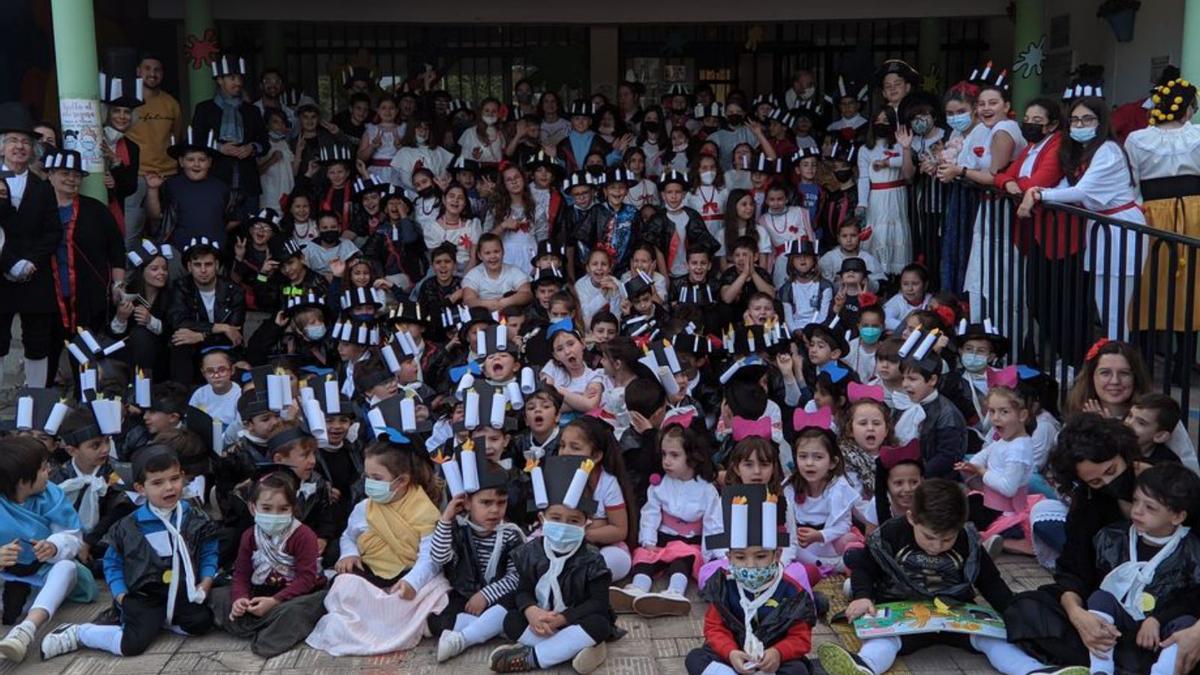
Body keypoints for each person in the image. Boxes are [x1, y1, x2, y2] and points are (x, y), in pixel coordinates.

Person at [818, 478, 1085, 675]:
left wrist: (1011, 611)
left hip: (957, 614)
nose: (937, 546)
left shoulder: (968, 541)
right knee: (883, 640)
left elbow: (989, 581)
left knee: (993, 639)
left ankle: (1035, 671)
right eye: (930, 537)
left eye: (947, 539)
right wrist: (864, 596)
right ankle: (864, 667)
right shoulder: (890, 534)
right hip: (902, 612)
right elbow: (866, 566)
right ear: (912, 519)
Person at [41, 446, 219, 660]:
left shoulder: (195, 518)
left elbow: (209, 551)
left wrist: (206, 580)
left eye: (174, 479)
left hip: (182, 590)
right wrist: (121, 595)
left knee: (201, 623)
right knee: (131, 645)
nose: (169, 488)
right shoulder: (127, 527)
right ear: (140, 488)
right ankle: (79, 633)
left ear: (183, 477)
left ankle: (161, 620)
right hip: (145, 594)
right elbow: (112, 563)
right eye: (157, 483)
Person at [304, 433, 444, 656]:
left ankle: (404, 621)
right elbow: (348, 536)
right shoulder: (364, 507)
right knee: (343, 586)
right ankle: (375, 625)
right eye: (367, 476)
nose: (369, 483)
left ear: (402, 481)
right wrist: (348, 554)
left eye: (377, 478)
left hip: (407, 575)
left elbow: (431, 557)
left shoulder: (426, 512)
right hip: (371, 573)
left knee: (437, 592)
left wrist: (411, 582)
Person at [1018, 96, 1142, 341]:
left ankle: (1121, 366)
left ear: (1101, 121)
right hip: (1101, 227)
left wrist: (1038, 193)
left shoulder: (1107, 150)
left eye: (1087, 119)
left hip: (1119, 230)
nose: (1080, 125)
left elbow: (1082, 192)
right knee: (1105, 306)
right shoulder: (1088, 151)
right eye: (1075, 120)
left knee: (1115, 309)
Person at [487, 455, 616, 674]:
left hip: (576, 620)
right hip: (542, 619)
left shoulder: (592, 559)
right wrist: (531, 611)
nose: (563, 526)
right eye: (555, 518)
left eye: (573, 521)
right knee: (511, 619)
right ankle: (572, 649)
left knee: (599, 624)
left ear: (586, 523)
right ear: (542, 518)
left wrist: (564, 619)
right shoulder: (530, 552)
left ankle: (535, 657)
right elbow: (523, 590)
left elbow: (598, 602)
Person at [686, 484, 815, 675]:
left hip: (772, 662)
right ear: (729, 558)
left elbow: (800, 638)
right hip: (734, 657)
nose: (751, 565)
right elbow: (714, 628)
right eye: (740, 557)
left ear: (777, 555)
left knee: (798, 669)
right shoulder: (724, 586)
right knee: (696, 658)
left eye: (761, 556)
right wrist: (730, 653)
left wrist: (778, 653)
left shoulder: (792, 591)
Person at [1084, 463, 1200, 674]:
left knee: (1187, 622)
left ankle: (1163, 671)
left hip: (1163, 629)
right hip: (1120, 625)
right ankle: (1101, 668)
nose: (1137, 510)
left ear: (1177, 517)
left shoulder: (1191, 548)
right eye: (1136, 501)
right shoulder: (1113, 537)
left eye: (1150, 507)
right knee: (1100, 598)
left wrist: (1157, 619)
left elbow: (1193, 597)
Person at [207, 470, 328, 657]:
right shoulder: (249, 535)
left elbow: (306, 579)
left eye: (283, 509)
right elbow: (242, 573)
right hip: (261, 591)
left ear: (293, 509)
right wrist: (240, 598)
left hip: (293, 595)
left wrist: (274, 601)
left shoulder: (303, 535)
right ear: (253, 508)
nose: (274, 514)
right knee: (218, 595)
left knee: (300, 609)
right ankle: (267, 625)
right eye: (266, 508)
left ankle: (259, 628)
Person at [1126, 77, 1200, 376]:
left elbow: (1132, 184)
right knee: (1191, 286)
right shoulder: (1197, 135)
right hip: (1193, 213)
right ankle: (1182, 364)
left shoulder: (1137, 139)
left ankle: (1144, 362)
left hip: (1151, 214)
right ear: (1187, 109)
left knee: (1150, 284)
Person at [611, 421, 720, 617]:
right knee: (644, 557)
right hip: (662, 538)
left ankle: (674, 593)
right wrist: (648, 541)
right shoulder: (659, 486)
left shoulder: (707, 490)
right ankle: (637, 588)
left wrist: (712, 554)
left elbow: (713, 524)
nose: (667, 461)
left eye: (674, 455)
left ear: (692, 457)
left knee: (682, 560)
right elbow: (650, 514)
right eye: (664, 454)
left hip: (690, 541)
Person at [428, 451, 525, 663]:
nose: (494, 510)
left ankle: (465, 638)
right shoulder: (456, 528)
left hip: (498, 597)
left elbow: (514, 577)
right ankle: (492, 628)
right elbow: (439, 557)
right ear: (468, 503)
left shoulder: (511, 533)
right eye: (486, 502)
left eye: (501, 503)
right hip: (464, 595)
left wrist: (486, 596)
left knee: (514, 607)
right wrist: (446, 518)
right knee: (437, 621)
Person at [0, 437, 88, 663]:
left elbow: (73, 535)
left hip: (42, 572)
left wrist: (54, 546)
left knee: (67, 567)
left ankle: (26, 629)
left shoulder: (52, 494)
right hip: (5, 576)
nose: (49, 471)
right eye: (42, 469)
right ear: (21, 480)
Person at [0, 102, 63, 389]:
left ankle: (36, 404)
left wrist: (29, 262)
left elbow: (52, 232)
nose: (20, 147)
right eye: (13, 140)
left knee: (38, 339)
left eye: (25, 141)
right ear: (1, 147)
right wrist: (10, 262)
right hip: (1, 272)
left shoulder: (43, 187)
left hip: (34, 275)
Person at [43, 150, 125, 354]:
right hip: (47, 294)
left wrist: (117, 284)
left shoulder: (96, 210)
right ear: (50, 175)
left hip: (88, 296)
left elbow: (116, 248)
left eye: (77, 175)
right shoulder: (37, 207)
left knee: (86, 355)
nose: (71, 179)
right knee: (47, 350)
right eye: (65, 173)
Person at [190, 54, 268, 222]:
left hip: (248, 181)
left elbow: (265, 143)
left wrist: (251, 148)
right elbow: (195, 141)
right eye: (232, 78)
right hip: (216, 177)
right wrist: (218, 148)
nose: (238, 82)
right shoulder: (205, 109)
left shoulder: (252, 111)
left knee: (249, 227)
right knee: (216, 223)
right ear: (219, 80)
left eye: (240, 78)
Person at [124, 53, 184, 247]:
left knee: (168, 229)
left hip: (168, 174)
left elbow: (176, 137)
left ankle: (165, 274)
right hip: (136, 174)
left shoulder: (171, 103)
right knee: (131, 232)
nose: (152, 73)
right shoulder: (128, 101)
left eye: (157, 70)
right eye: (147, 69)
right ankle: (129, 277)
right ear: (138, 71)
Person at [166, 238, 246, 385]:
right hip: (193, 350)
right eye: (197, 265)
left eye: (208, 264)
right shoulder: (181, 287)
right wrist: (219, 327)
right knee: (180, 341)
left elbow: (234, 334)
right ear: (189, 267)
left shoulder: (234, 291)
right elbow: (178, 322)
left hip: (226, 349)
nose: (203, 270)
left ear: (216, 265)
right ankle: (182, 398)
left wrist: (201, 336)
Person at [146, 127, 229, 253]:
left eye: (202, 160)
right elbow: (155, 215)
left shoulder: (221, 187)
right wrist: (153, 189)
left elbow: (234, 218)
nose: (196, 164)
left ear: (209, 162)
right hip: (177, 251)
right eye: (190, 160)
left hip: (214, 252)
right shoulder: (170, 185)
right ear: (181, 162)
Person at [858, 107, 913, 278]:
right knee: (878, 233)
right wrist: (862, 203)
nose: (881, 124)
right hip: (877, 196)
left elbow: (910, 160)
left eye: (886, 120)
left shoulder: (900, 144)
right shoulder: (865, 149)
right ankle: (879, 274)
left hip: (897, 193)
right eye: (878, 120)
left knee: (897, 231)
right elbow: (864, 178)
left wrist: (887, 163)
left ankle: (897, 276)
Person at [99, 71, 142, 234]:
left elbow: (131, 187)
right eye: (117, 111)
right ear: (107, 113)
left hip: (116, 207)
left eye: (127, 112)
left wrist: (116, 162)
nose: (122, 116)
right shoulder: (93, 135)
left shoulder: (132, 147)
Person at [462, 234, 533, 311]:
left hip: (511, 317)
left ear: (503, 252)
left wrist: (503, 302)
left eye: (496, 251)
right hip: (484, 318)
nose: (493, 256)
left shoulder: (514, 271)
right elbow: (468, 300)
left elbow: (527, 294)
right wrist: (490, 304)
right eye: (487, 253)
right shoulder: (472, 275)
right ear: (479, 255)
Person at [357, 93, 403, 185]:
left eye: (391, 108)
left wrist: (400, 148)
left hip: (398, 172)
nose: (388, 111)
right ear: (377, 110)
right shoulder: (370, 129)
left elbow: (411, 157)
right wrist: (372, 146)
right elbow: (361, 157)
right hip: (375, 173)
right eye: (384, 108)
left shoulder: (403, 129)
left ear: (397, 110)